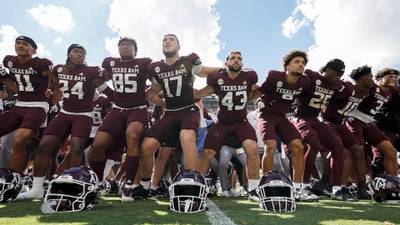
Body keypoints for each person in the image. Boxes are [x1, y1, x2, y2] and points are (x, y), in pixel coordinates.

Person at [18, 44, 111, 199]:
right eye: (76, 52)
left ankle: (73, 187)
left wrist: (107, 69)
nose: (80, 55)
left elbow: (107, 76)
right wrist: (50, 91)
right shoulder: (59, 69)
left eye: (83, 53)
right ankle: (37, 188)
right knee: (44, 145)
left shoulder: (91, 70)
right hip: (64, 112)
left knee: (76, 148)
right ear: (68, 54)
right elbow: (53, 80)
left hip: (84, 114)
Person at [138, 34, 221, 196]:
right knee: (147, 147)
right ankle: (145, 185)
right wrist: (134, 98)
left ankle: (192, 182)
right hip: (169, 113)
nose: (167, 42)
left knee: (187, 137)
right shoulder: (156, 67)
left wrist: (224, 69)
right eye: (164, 40)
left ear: (178, 45)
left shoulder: (188, 61)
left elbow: (204, 72)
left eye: (171, 40)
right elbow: (154, 91)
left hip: (188, 110)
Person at [88, 37, 159, 202]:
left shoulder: (144, 63)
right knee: (98, 145)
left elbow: (157, 83)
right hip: (117, 109)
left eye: (129, 45)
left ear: (135, 49)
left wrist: (146, 96)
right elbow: (98, 79)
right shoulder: (111, 63)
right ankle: (98, 182)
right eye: (122, 45)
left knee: (133, 136)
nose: (125, 47)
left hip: (138, 109)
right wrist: (113, 96)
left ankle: (128, 185)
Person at [195, 51, 260, 201]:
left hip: (241, 122)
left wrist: (253, 96)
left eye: (239, 59)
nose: (236, 61)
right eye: (232, 58)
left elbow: (260, 90)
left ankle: (254, 189)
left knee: (252, 149)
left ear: (242, 64)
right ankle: (196, 187)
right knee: (206, 154)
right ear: (226, 63)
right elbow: (200, 94)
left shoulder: (249, 78)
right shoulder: (218, 79)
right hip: (222, 123)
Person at [0, 36, 54, 175]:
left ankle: (12, 177)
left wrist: (52, 98)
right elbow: (9, 82)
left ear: (34, 50)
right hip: (19, 104)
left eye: (25, 44)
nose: (21, 45)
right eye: (18, 43)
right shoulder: (9, 61)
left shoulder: (42, 64)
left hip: (38, 105)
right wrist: (9, 82)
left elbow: (59, 81)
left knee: (20, 140)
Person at [320, 65, 374, 199]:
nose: (372, 80)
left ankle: (362, 188)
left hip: (340, 123)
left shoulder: (365, 92)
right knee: (338, 149)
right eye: (370, 77)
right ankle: (325, 182)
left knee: (358, 150)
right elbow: (330, 94)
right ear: (361, 78)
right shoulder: (347, 87)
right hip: (328, 122)